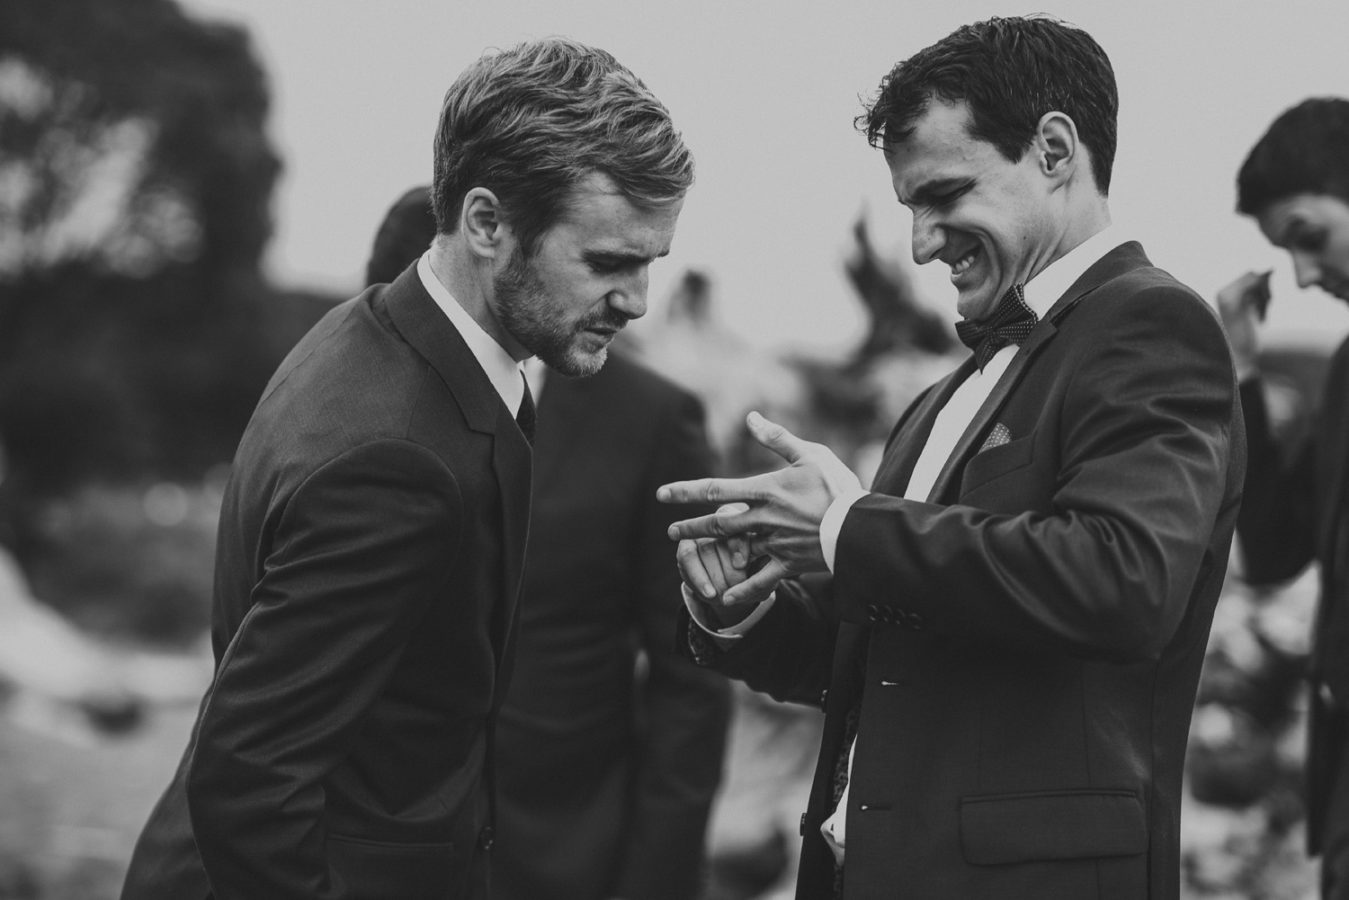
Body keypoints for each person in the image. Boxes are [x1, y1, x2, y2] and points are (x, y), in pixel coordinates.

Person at [658, 16, 1245, 900]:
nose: (921, 243)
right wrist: (740, 611)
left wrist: (844, 528)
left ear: (1053, 150)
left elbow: (1123, 581)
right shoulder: (944, 396)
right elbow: (885, 669)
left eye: (943, 195)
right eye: (909, 209)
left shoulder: (1151, 326)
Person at [120, 37, 691, 900]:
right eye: (608, 262)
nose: (636, 301)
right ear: (488, 224)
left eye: (651, 262)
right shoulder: (400, 461)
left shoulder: (376, 330)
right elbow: (249, 779)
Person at [363, 186, 731, 900]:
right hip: (379, 854)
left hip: (565, 858)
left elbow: (689, 683)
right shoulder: (361, 411)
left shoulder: (650, 419)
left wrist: (654, 882)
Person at [1215, 96, 1349, 900]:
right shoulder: (1343, 379)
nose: (1301, 274)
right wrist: (1238, 370)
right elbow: (1271, 549)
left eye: (1310, 237)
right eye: (1285, 252)